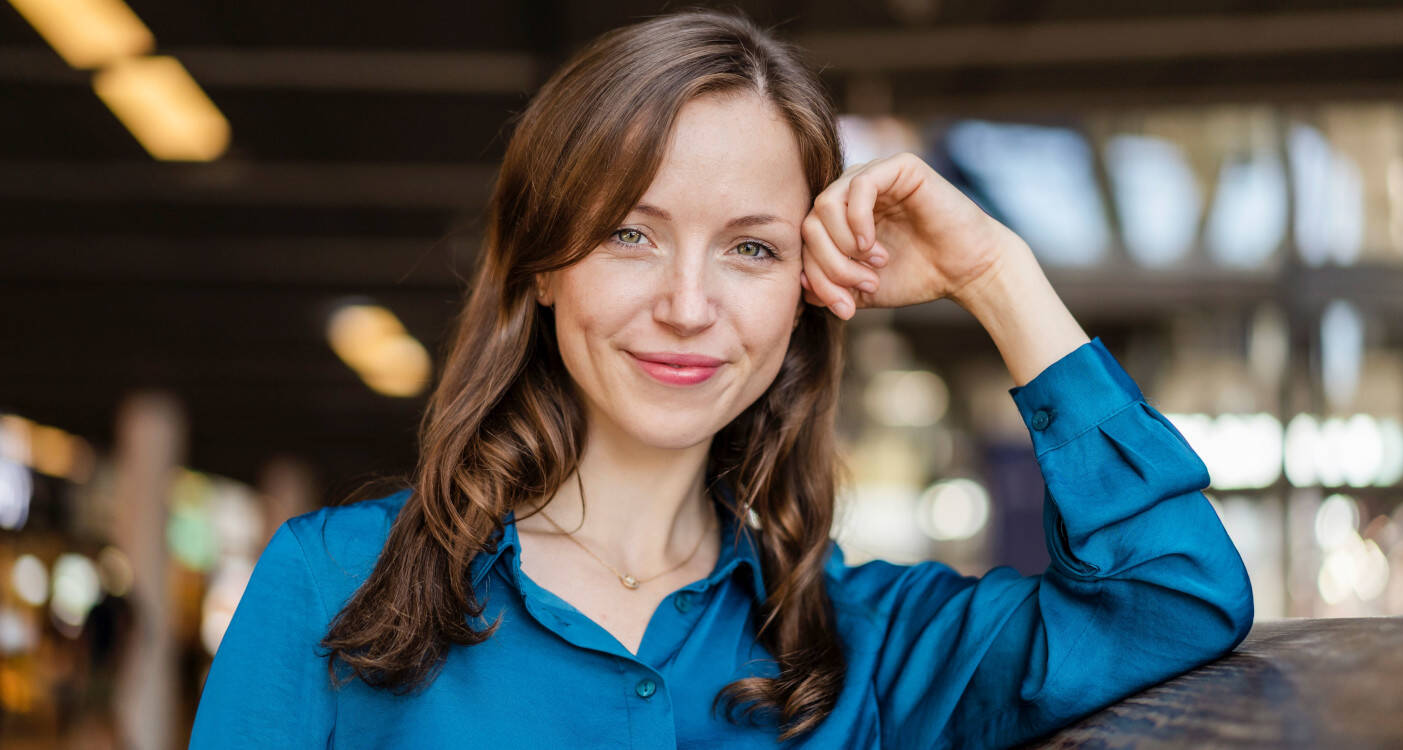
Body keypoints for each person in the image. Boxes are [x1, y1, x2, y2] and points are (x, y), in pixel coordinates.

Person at [189, 8, 1254, 749]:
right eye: (631, 234)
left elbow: (1172, 596)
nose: (689, 305)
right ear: (545, 266)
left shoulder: (862, 647)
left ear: (804, 292)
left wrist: (994, 274)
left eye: (750, 248)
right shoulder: (336, 587)